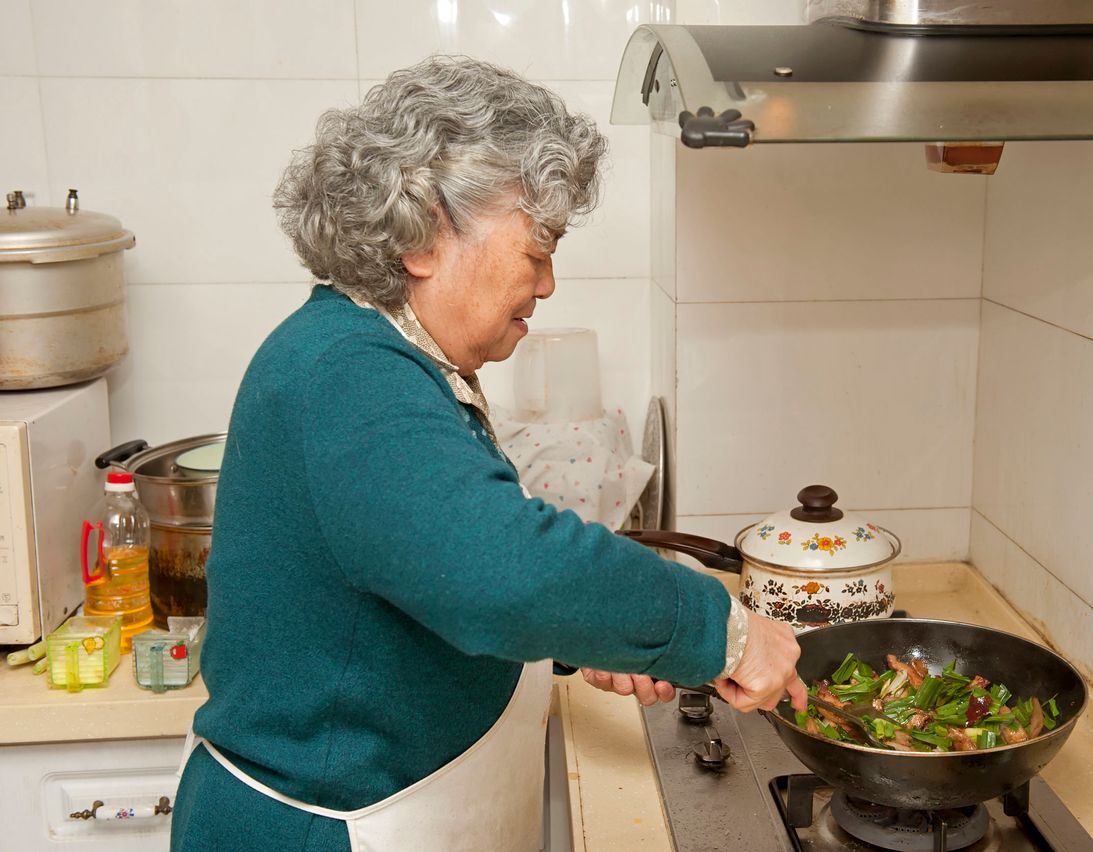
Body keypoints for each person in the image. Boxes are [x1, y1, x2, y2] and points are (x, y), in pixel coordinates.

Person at [170, 56, 806, 852]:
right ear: (427, 234)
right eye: (537, 246)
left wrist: (587, 641)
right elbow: (498, 573)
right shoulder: (350, 373)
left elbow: (422, 575)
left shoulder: (384, 355)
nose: (546, 284)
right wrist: (721, 628)